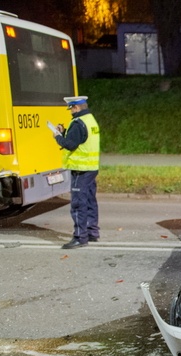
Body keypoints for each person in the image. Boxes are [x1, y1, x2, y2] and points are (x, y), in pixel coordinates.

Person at [53, 96, 100, 249]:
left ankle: (80, 237)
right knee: (90, 201)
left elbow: (71, 144)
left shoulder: (78, 123)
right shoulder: (90, 119)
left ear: (76, 108)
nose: (71, 112)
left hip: (80, 170)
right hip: (91, 168)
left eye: (71, 109)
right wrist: (66, 131)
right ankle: (92, 232)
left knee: (78, 204)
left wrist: (58, 137)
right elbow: (82, 139)